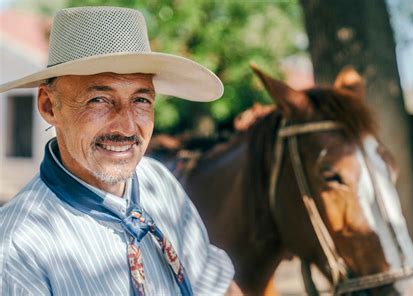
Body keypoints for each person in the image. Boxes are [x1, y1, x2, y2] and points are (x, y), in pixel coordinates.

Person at [0, 6, 241, 295]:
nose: (127, 126)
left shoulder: (156, 180)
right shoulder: (18, 249)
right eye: (99, 99)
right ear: (49, 106)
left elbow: (216, 285)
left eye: (141, 100)